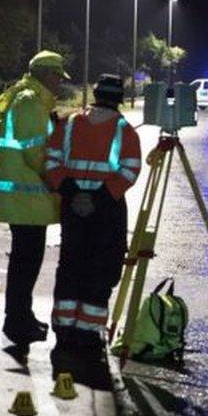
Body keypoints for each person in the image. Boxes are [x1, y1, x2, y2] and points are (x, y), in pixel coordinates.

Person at [44, 74, 141, 389]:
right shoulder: (125, 131)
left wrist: (72, 190)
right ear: (119, 98)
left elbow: (52, 161)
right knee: (100, 269)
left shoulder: (70, 124)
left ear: (96, 95)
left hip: (73, 208)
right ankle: (88, 335)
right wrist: (101, 195)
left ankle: (64, 330)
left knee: (70, 265)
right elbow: (129, 170)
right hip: (107, 210)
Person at [0, 50, 69, 345]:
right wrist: (58, 182)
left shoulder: (32, 101)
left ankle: (22, 316)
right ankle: (16, 321)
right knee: (26, 262)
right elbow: (36, 153)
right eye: (58, 76)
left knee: (27, 261)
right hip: (26, 198)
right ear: (46, 75)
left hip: (28, 200)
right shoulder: (28, 102)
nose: (60, 82)